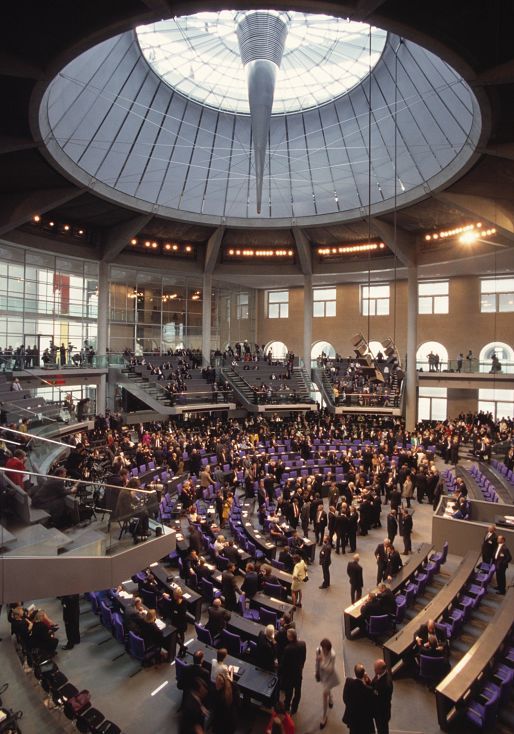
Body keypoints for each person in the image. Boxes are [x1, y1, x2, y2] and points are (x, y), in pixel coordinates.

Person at [342, 663, 376, 734]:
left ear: (355, 672)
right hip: (364, 720)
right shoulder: (368, 690)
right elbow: (372, 703)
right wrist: (368, 681)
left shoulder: (349, 682)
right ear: (364, 674)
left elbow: (345, 698)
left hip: (352, 717)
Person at [280, 628, 306, 714]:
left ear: (290, 638)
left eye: (288, 636)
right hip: (298, 673)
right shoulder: (303, 644)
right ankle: (294, 708)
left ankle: (287, 706)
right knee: (298, 692)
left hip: (290, 675)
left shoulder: (288, 649)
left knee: (289, 692)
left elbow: (284, 664)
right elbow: (304, 658)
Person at [315, 638, 340, 729]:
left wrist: (321, 662)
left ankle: (324, 717)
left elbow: (330, 669)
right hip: (322, 675)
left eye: (326, 650)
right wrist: (316, 672)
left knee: (324, 694)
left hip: (330, 676)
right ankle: (331, 698)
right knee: (327, 692)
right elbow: (316, 663)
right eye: (323, 649)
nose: (324, 651)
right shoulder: (318, 650)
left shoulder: (332, 654)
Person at [372, 658, 393, 734]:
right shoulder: (379, 674)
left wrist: (373, 692)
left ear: (381, 669)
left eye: (375, 669)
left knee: (382, 730)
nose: (374, 670)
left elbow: (382, 701)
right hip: (379, 712)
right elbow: (374, 684)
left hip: (382, 714)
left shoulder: (386, 685)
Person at [171, 588, 188, 656]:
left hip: (181, 621)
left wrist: (176, 612)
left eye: (175, 595)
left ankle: (181, 650)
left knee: (181, 634)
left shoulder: (183, 602)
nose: (173, 596)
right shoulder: (173, 600)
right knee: (176, 636)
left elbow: (182, 613)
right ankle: (183, 647)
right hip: (175, 620)